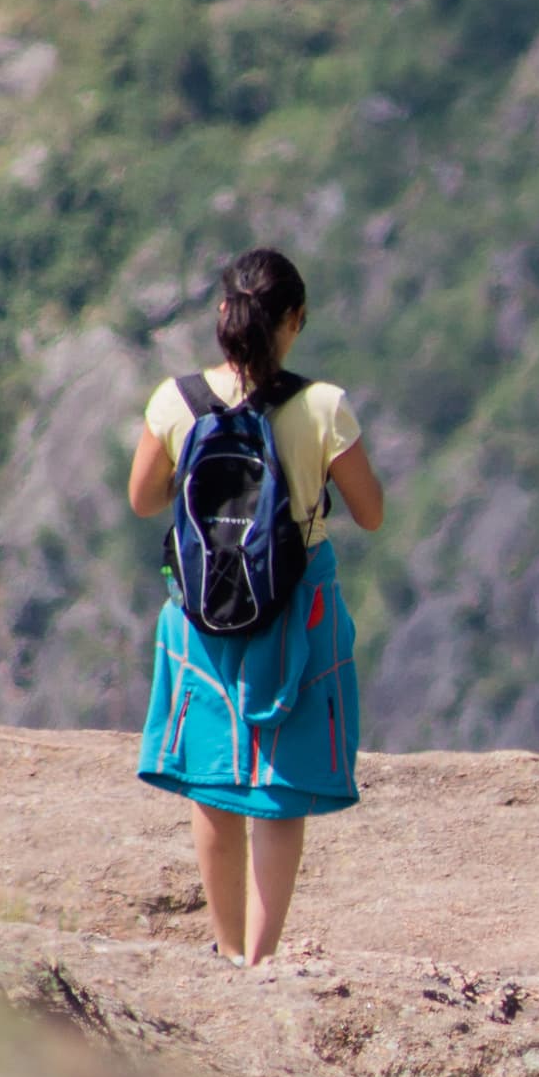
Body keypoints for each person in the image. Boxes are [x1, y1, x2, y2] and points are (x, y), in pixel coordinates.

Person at [125, 249, 386, 969]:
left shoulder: (175, 401)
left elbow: (144, 499)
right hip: (297, 606)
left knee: (212, 783)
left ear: (221, 315)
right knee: (279, 785)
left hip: (203, 607)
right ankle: (262, 961)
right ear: (293, 322)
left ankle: (226, 943)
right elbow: (370, 513)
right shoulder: (323, 406)